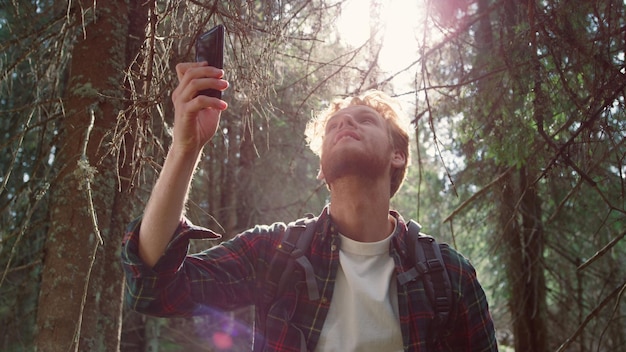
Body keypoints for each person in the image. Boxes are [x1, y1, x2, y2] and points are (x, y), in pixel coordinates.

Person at [121, 61, 498, 351]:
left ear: (397, 155)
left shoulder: (448, 277)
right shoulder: (276, 252)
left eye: (364, 120)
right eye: (335, 125)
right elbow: (153, 289)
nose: (346, 123)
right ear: (321, 168)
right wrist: (186, 147)